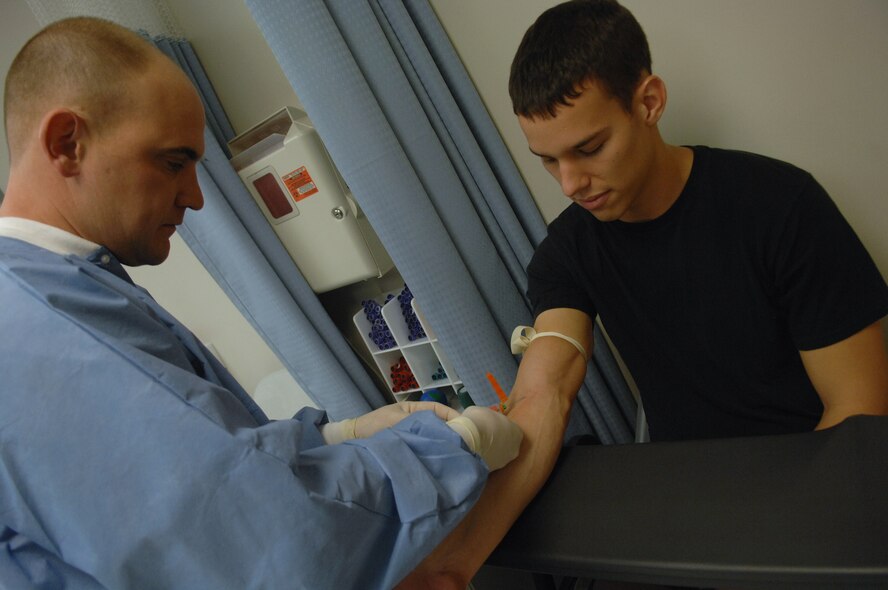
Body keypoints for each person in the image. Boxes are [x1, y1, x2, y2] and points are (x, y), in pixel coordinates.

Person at [0, 17, 526, 589]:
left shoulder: (70, 286)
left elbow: (210, 451)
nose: (195, 198)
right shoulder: (38, 329)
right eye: (174, 163)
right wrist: (458, 444)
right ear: (67, 144)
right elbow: (260, 537)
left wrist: (332, 439)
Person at [505, 0, 888, 442]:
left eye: (589, 149)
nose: (570, 185)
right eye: (549, 161)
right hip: (688, 489)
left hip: (811, 470)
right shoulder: (568, 250)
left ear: (649, 103)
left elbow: (859, 410)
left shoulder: (782, 206)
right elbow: (544, 390)